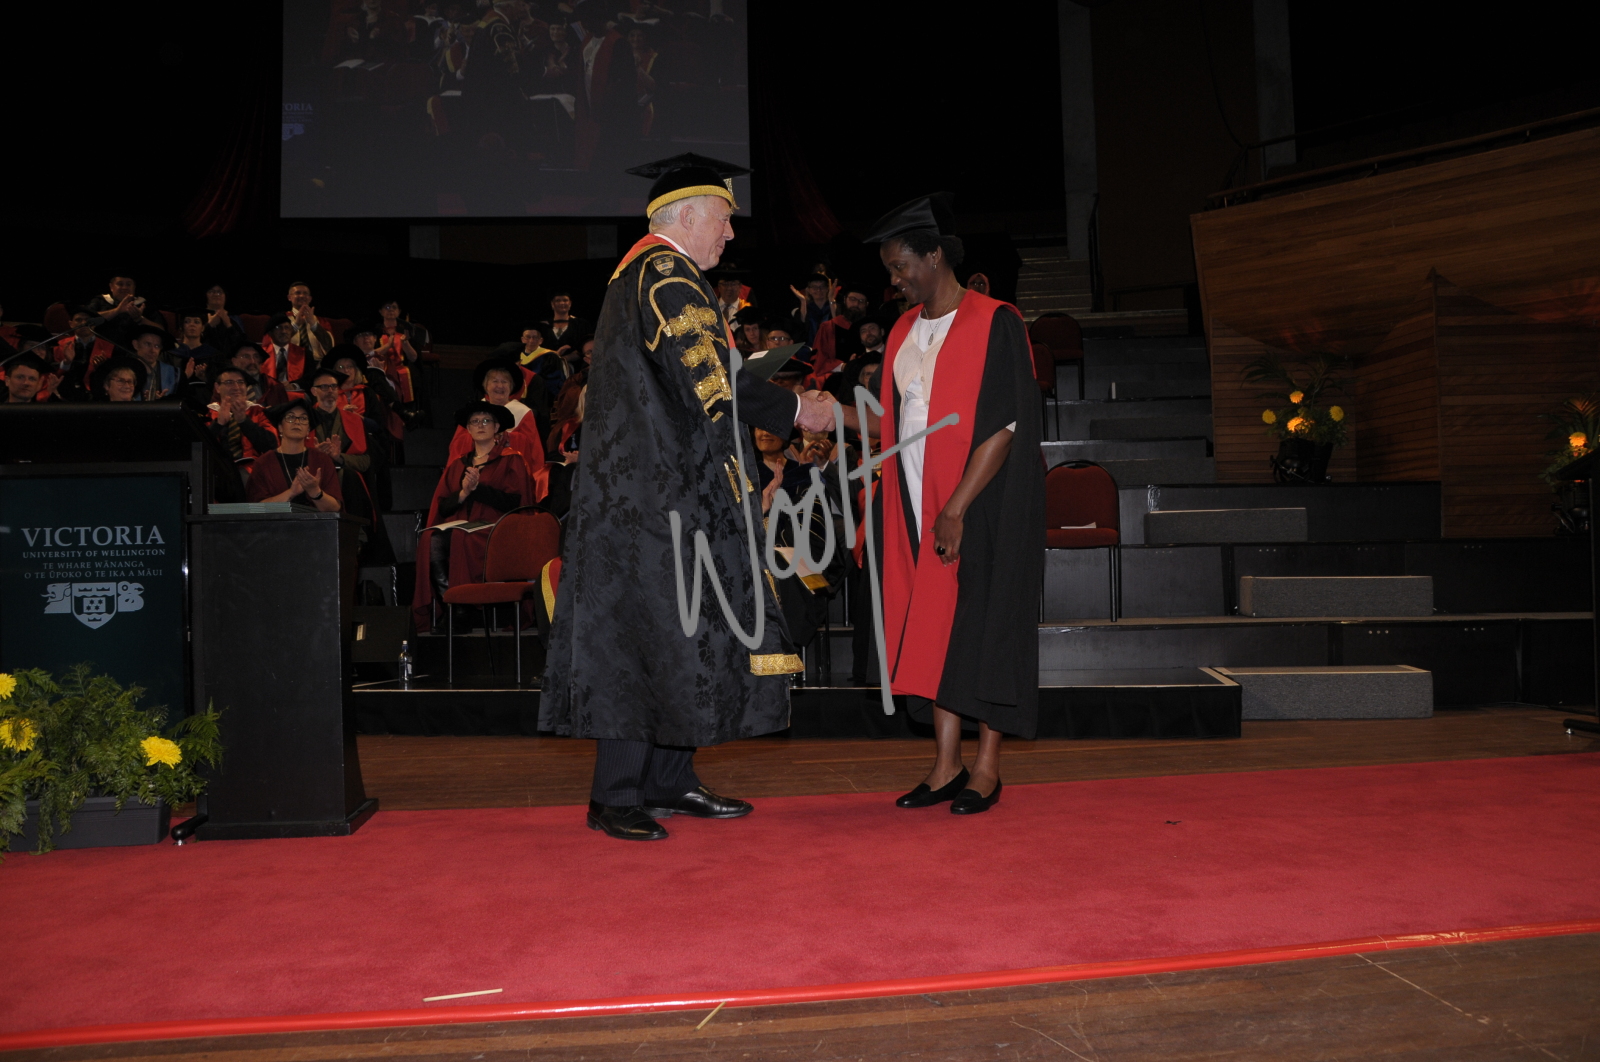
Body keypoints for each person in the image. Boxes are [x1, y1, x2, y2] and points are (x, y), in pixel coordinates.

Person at [540, 154, 837, 841]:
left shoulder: (640, 275)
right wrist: (798, 410)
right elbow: (710, 380)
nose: (730, 234)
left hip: (655, 490)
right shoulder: (668, 276)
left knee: (681, 629)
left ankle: (669, 779)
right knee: (644, 632)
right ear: (688, 216)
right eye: (724, 219)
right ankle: (616, 794)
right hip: (656, 499)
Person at [845, 193, 1045, 816]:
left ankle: (987, 766)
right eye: (890, 270)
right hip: (914, 500)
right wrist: (827, 413)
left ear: (935, 256)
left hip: (981, 501)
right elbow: (892, 424)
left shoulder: (995, 320)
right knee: (934, 626)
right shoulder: (903, 331)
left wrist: (955, 508)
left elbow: (1006, 424)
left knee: (984, 625)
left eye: (901, 266)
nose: (895, 280)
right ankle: (945, 763)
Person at [411, 401, 538, 632]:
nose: (480, 425)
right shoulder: (458, 465)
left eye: (486, 421)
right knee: (430, 539)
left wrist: (478, 489)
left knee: (463, 537)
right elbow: (443, 507)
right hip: (463, 525)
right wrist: (463, 493)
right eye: (475, 422)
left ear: (497, 427)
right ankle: (452, 607)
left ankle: (462, 612)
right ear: (468, 429)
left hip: (499, 527)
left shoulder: (512, 459)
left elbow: (516, 503)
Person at [245, 400, 343, 511]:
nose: (297, 422)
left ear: (308, 430)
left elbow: (335, 508)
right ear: (280, 427)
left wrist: (315, 491)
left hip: (316, 521)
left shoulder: (322, 460)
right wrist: (291, 492)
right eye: (290, 417)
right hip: (278, 521)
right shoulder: (264, 463)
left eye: (303, 418)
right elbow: (256, 509)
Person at [206, 366, 278, 462]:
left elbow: (272, 446)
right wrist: (218, 424)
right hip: (217, 467)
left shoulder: (259, 412)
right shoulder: (208, 413)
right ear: (217, 387)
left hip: (253, 467)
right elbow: (199, 447)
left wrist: (244, 421)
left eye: (240, 382)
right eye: (229, 382)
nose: (236, 387)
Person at [261, 314, 315, 390]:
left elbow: (310, 378)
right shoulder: (260, 353)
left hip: (296, 393)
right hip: (267, 392)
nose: (284, 331)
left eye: (287, 328)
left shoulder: (304, 353)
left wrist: (294, 386)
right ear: (270, 332)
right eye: (278, 327)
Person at [127, 326, 182, 401]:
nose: (152, 350)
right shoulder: (122, 372)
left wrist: (162, 401)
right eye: (147, 344)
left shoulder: (174, 374)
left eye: (157, 346)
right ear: (135, 344)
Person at [285, 282, 333, 361]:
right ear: (289, 297)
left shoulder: (321, 321)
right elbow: (276, 342)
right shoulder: (282, 319)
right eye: (298, 293)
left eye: (305, 293)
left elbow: (329, 346)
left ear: (310, 299)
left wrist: (314, 325)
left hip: (317, 363)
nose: (302, 296)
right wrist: (296, 325)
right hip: (290, 362)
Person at [230, 343, 289, 407]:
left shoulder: (275, 386)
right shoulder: (225, 384)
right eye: (246, 356)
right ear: (234, 361)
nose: (252, 361)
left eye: (256, 357)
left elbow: (284, 411)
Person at [203, 285, 247, 354]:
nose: (216, 294)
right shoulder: (198, 316)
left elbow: (242, 344)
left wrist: (229, 325)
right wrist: (209, 326)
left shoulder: (234, 318)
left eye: (219, 292)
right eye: (211, 292)